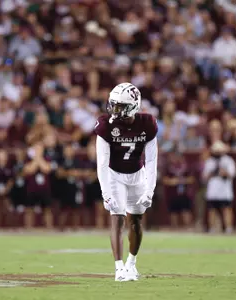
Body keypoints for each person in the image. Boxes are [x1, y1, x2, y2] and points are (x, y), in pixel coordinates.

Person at [94, 82, 158, 282]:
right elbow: (102, 163)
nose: (115, 109)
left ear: (134, 106)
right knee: (117, 217)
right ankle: (118, 268)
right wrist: (106, 193)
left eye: (120, 105)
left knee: (136, 221)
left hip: (137, 175)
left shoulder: (147, 124)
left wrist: (150, 190)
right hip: (114, 175)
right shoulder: (106, 125)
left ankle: (131, 263)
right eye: (113, 104)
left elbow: (152, 160)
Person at [202, 141, 236, 234]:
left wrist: (224, 172)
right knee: (211, 210)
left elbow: (233, 174)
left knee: (227, 209)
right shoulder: (209, 161)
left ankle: (228, 228)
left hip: (225, 190)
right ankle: (212, 229)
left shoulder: (228, 160)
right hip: (213, 189)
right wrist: (212, 173)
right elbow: (205, 176)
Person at [163, 151, 194, 229]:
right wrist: (173, 181)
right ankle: (174, 228)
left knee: (186, 211)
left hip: (184, 194)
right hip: (173, 194)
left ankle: (188, 228)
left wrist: (182, 180)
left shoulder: (186, 168)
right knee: (173, 212)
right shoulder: (169, 168)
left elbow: (192, 179)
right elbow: (165, 180)